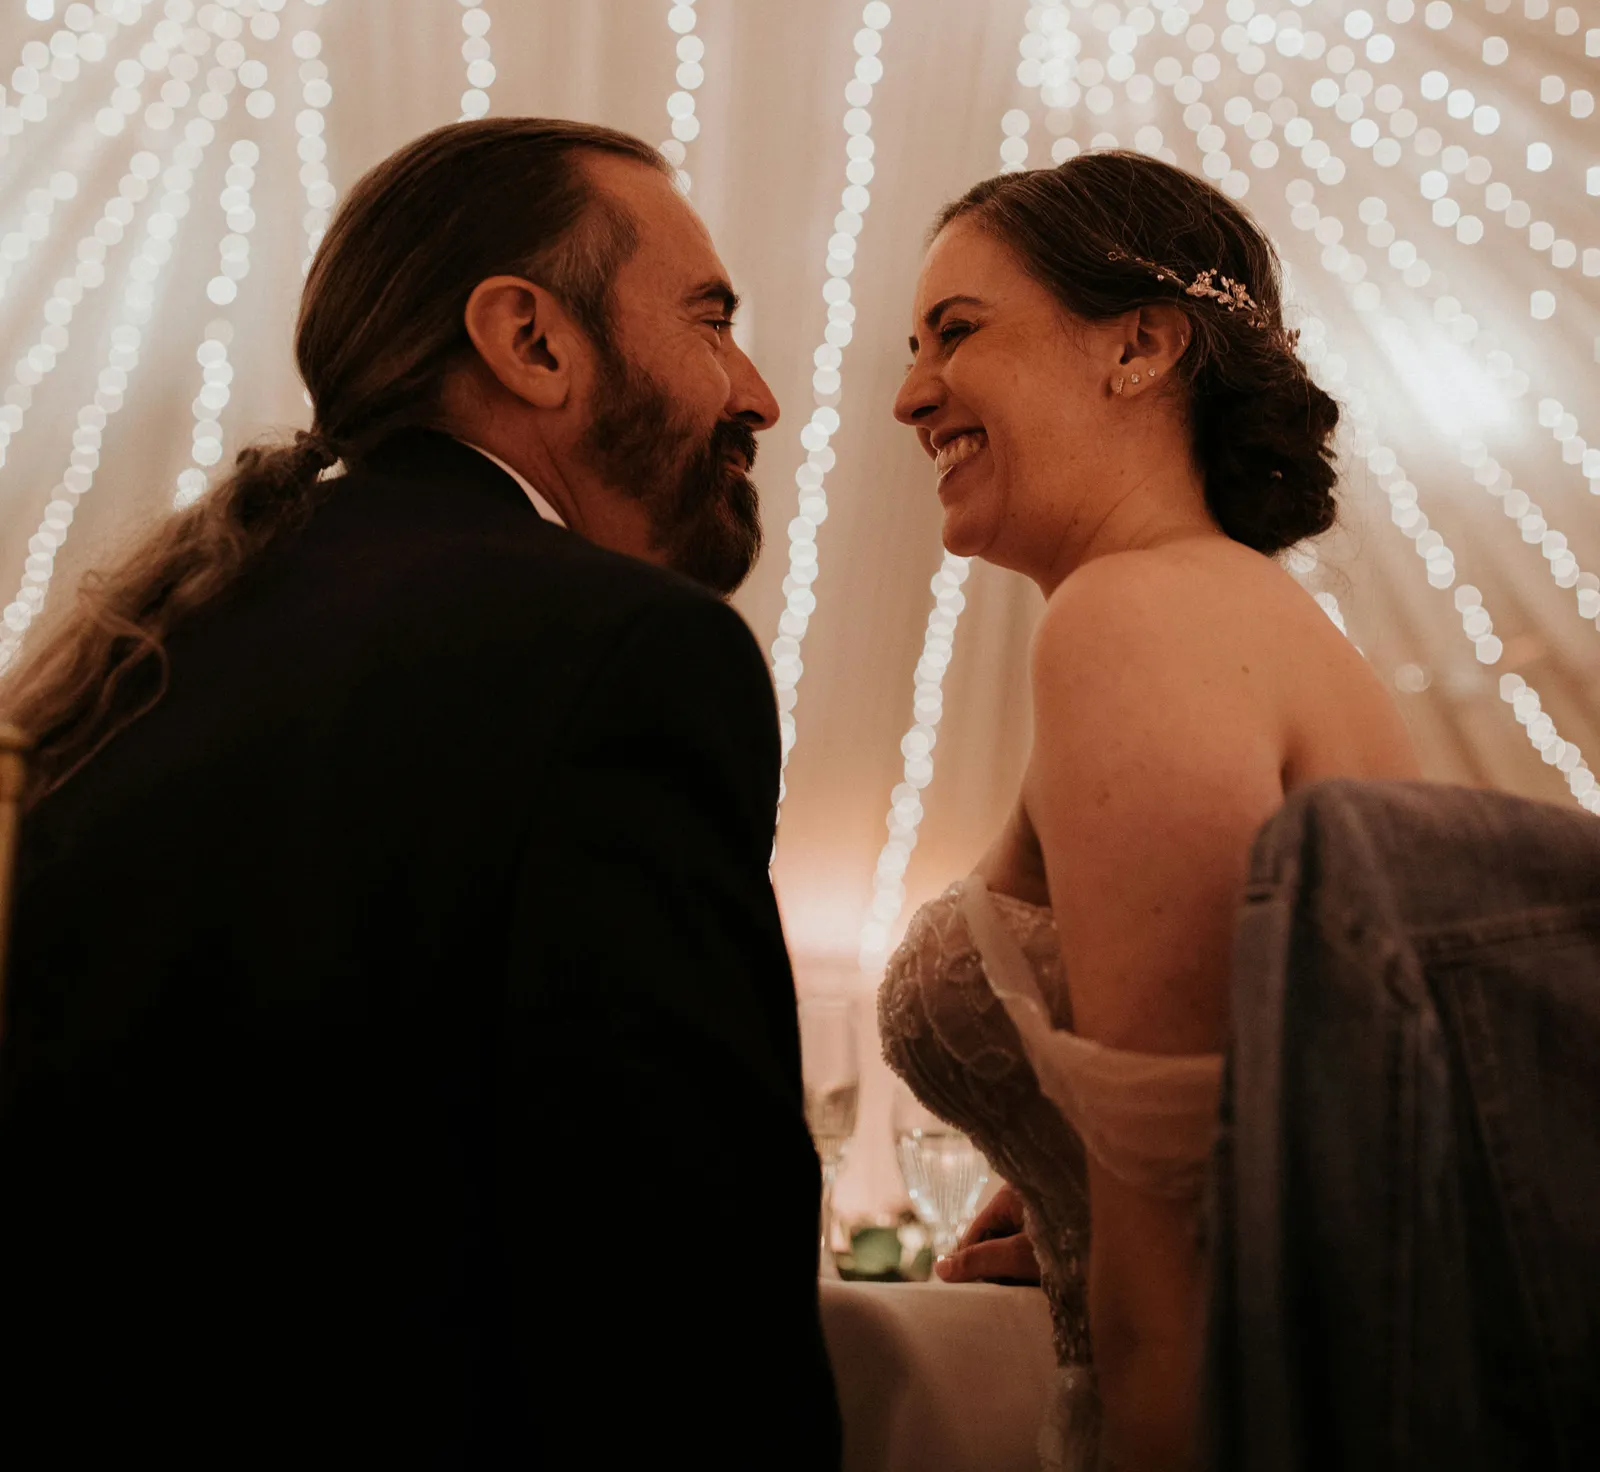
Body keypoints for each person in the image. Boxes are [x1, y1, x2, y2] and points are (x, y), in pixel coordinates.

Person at [0, 117, 840, 1471]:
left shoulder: (151, 650)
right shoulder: (619, 652)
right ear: (531, 339)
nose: (757, 393)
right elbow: (677, 1273)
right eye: (709, 320)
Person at [876, 150, 1418, 1472]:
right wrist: (1062, 1182)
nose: (908, 395)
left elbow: (1179, 1217)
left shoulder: (1136, 618)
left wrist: (1117, 1223)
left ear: (1141, 346)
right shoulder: (1226, 612)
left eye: (958, 332)